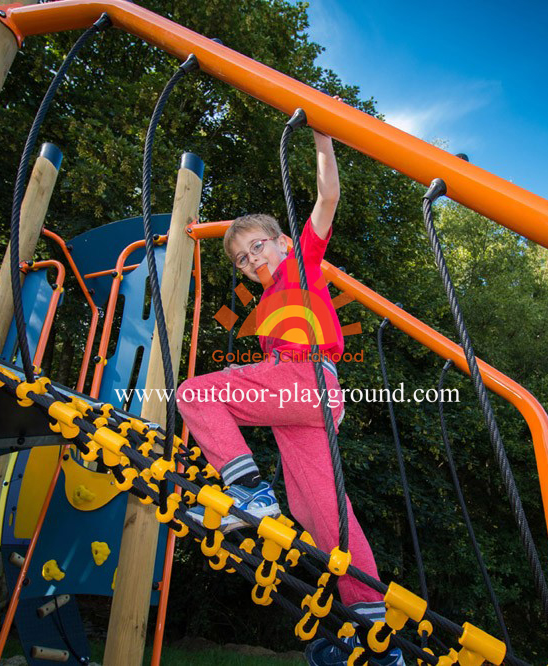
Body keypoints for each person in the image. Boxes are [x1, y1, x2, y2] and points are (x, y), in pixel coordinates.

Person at [177, 129, 404, 666]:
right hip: (302, 404)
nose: (251, 258)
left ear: (281, 242)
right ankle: (373, 632)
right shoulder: (268, 311)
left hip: (307, 381)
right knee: (321, 512)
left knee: (194, 393)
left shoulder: (301, 261)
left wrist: (324, 143)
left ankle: (250, 493)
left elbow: (328, 198)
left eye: (257, 245)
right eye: (240, 259)